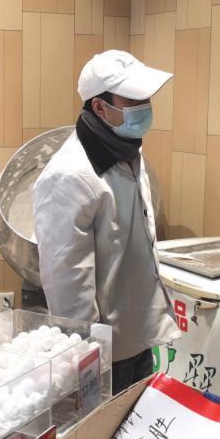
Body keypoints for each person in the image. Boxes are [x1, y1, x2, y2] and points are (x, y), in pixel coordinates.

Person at [32, 51, 179, 394]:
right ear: (100, 107)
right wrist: (91, 359)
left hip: (138, 337)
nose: (144, 107)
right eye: (133, 100)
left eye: (146, 98)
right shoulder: (68, 176)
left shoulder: (128, 152)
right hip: (105, 354)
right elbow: (68, 283)